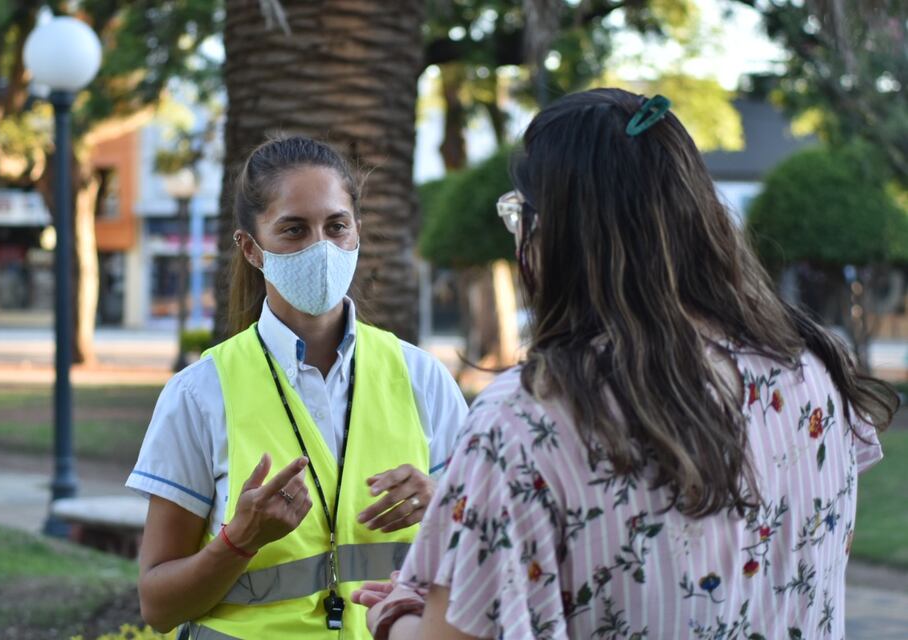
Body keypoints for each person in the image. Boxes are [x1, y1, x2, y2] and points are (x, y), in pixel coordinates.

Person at [354, 88, 897, 639]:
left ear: (556, 232)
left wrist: (396, 616)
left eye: (519, 216)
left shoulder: (526, 419)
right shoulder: (813, 370)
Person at [127, 135, 468, 639]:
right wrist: (238, 541)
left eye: (336, 226)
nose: (321, 249)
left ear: (358, 233)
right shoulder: (200, 393)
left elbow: (495, 555)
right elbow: (158, 606)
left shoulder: (422, 378)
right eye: (293, 230)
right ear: (251, 248)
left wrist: (445, 506)